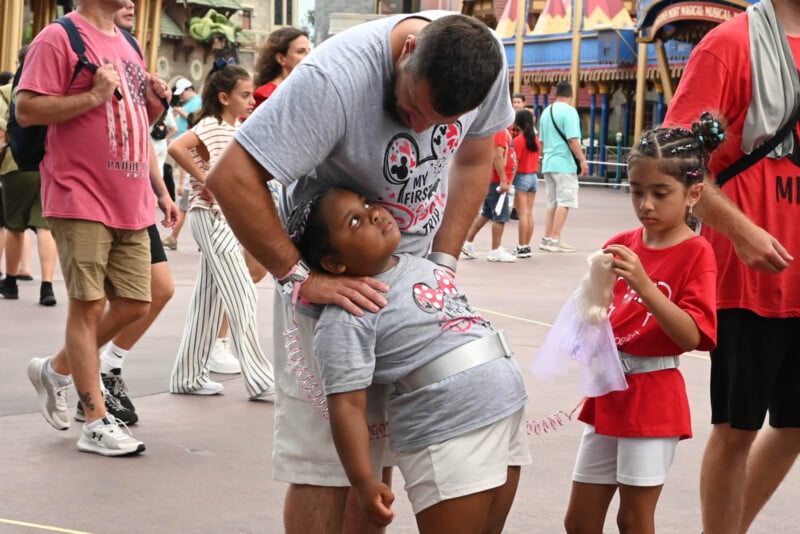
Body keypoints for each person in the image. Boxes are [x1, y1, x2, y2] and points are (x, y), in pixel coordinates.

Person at [205, 11, 513, 533]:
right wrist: (302, 278)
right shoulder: (335, 80)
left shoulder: (486, 61)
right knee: (325, 466)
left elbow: (475, 155)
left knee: (375, 458)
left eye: (441, 123)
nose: (422, 128)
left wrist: (442, 261)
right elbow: (231, 177)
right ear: (408, 49)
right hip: (332, 285)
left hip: (406, 281)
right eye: (414, 107)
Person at [290, 187, 530, 532]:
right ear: (334, 264)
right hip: (446, 426)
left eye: (367, 204)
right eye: (355, 221)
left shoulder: (418, 263)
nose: (373, 214)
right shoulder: (347, 315)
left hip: (504, 410)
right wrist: (363, 481)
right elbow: (346, 406)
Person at [663, 1, 800, 532]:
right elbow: (677, 154)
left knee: (793, 426)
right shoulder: (729, 45)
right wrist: (740, 231)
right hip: (751, 277)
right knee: (738, 428)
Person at [17, 0, 172, 456]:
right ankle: (96, 420)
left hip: (130, 195)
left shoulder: (127, 43)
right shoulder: (58, 37)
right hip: (78, 192)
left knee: (136, 301)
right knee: (87, 305)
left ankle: (56, 369)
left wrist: (156, 104)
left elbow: (136, 123)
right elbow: (26, 110)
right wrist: (90, 96)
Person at [563, 113, 724, 534]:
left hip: (653, 396)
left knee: (634, 518)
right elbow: (597, 313)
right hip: (609, 389)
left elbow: (695, 336)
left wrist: (645, 285)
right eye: (636, 192)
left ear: (694, 194)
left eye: (660, 192)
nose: (646, 204)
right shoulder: (618, 245)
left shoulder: (696, 253)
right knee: (578, 520)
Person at [167, 60, 275, 399]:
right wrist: (207, 180)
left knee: (209, 301)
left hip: (220, 217)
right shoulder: (214, 125)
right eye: (245, 95)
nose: (250, 101)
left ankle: (188, 377)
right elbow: (176, 147)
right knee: (242, 293)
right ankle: (260, 380)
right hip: (212, 217)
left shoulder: (231, 127)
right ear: (225, 96)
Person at [0, 46, 57, 305]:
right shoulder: (54, 88)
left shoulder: (5, 92)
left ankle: (10, 281)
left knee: (15, 225)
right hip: (48, 163)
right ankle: (47, 286)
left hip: (16, 163)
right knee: (45, 226)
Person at [538, 81, 588, 253]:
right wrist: (582, 160)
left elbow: (542, 141)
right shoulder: (569, 111)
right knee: (565, 201)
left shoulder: (546, 112)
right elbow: (572, 139)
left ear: (556, 94)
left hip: (548, 162)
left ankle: (547, 237)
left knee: (552, 202)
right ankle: (556, 238)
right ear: (571, 95)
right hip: (563, 163)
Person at [461, 126, 518, 262]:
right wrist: (504, 179)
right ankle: (495, 249)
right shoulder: (499, 131)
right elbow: (497, 154)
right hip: (497, 181)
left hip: (495, 179)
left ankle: (468, 242)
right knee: (500, 215)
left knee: (486, 213)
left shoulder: (502, 131)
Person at [162, 77, 201, 251]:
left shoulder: (196, 103)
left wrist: (181, 184)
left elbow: (187, 164)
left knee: (186, 209)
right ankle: (174, 237)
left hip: (191, 182)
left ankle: (173, 238)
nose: (182, 98)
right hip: (194, 180)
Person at [252, 27, 310, 108]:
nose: (308, 57)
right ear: (281, 59)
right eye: (300, 51)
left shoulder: (303, 92)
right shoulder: (265, 96)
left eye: (309, 51)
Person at [511, 109, 540, 258]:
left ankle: (521, 246)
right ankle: (526, 245)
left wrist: (509, 180)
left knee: (522, 214)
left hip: (522, 177)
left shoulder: (518, 141)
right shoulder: (535, 139)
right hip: (534, 177)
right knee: (529, 213)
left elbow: (516, 163)